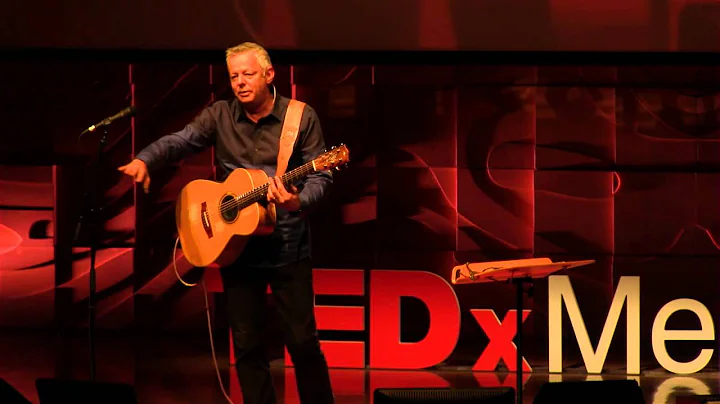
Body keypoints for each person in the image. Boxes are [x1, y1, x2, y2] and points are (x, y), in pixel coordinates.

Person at [118, 42, 335, 404]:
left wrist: (297, 201)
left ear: (269, 75)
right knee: (247, 345)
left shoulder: (300, 117)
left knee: (302, 343)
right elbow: (180, 141)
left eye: (248, 74)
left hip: (287, 247)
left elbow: (321, 178)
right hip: (237, 250)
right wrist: (145, 159)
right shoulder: (218, 114)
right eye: (234, 76)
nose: (240, 83)